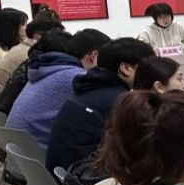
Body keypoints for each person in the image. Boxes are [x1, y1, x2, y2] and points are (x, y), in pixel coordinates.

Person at [46, 37, 155, 174]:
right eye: (147, 68)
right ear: (126, 69)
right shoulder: (119, 101)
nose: (152, 72)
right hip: (86, 178)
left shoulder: (89, 88)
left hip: (67, 174)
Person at [5, 29, 111, 150]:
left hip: (18, 151)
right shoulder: (78, 77)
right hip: (39, 153)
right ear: (94, 56)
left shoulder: (50, 69)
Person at [0, 14, 75, 115]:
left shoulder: (26, 50)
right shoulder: (32, 57)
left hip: (1, 109)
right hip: (5, 110)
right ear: (38, 36)